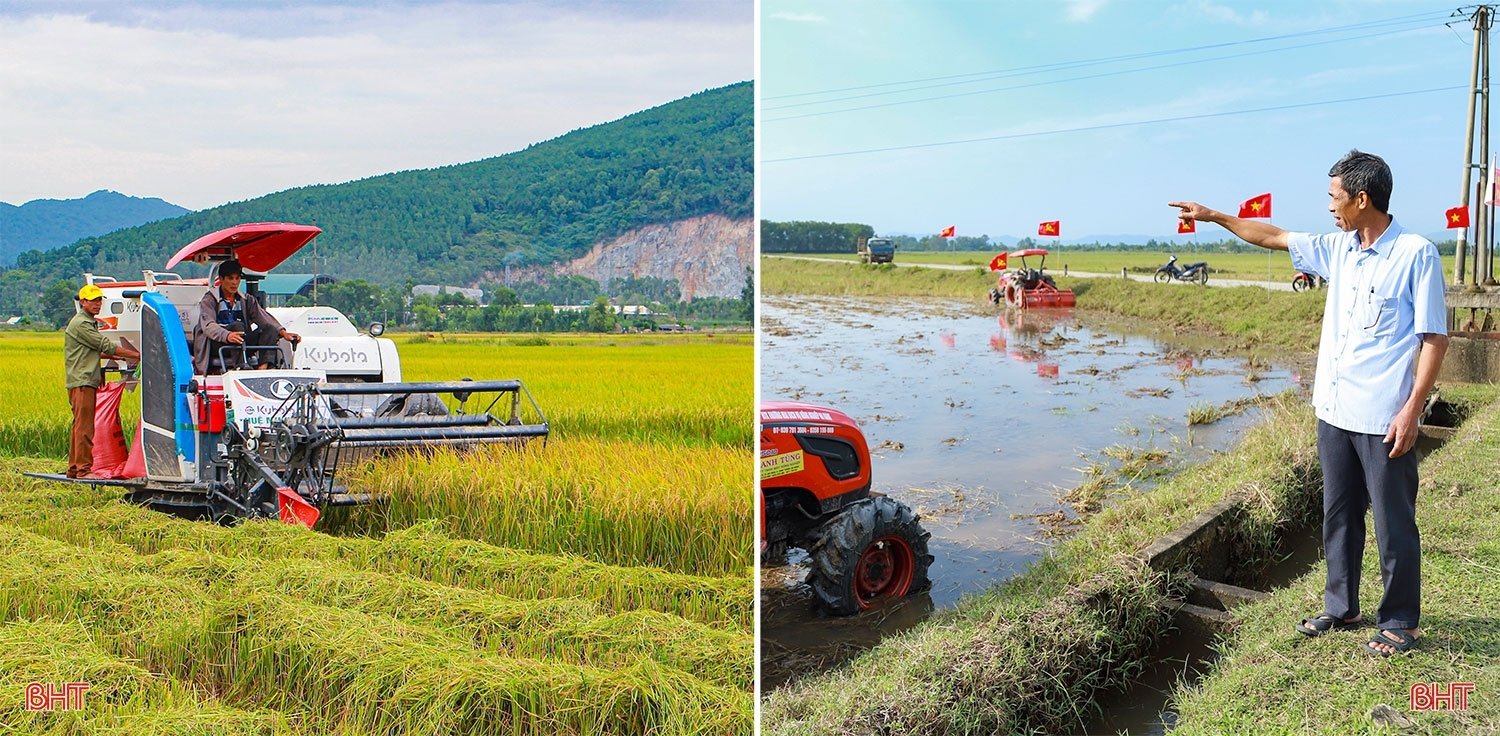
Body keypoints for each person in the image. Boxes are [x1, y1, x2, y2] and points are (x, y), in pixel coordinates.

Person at [1170, 150, 1448, 658]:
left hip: (1384, 416)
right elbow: (1273, 237)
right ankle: (1341, 607)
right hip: (1334, 412)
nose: (1329, 207)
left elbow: (1433, 339)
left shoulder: (1415, 253)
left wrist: (1412, 410)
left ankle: (1400, 621)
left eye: (1334, 197)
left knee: (1393, 523)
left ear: (1362, 199)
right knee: (1338, 514)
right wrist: (1214, 217)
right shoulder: (1338, 248)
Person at [65, 283, 141, 478]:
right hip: (83, 381)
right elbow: (105, 346)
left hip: (83, 379)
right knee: (85, 427)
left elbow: (95, 351)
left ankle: (74, 469)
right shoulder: (82, 324)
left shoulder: (88, 322)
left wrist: (124, 357)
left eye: (99, 300)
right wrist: (138, 355)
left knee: (79, 426)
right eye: (92, 300)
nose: (97, 304)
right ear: (83, 302)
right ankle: (83, 470)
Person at [191, 259, 299, 374]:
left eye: (237, 278)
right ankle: (240, 366)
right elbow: (208, 326)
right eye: (230, 278)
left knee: (270, 329)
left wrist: (284, 333)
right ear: (221, 280)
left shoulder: (246, 300)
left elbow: (263, 318)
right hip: (217, 344)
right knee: (237, 326)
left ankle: (263, 369)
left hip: (241, 342)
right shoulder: (209, 299)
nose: (234, 283)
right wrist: (227, 335)